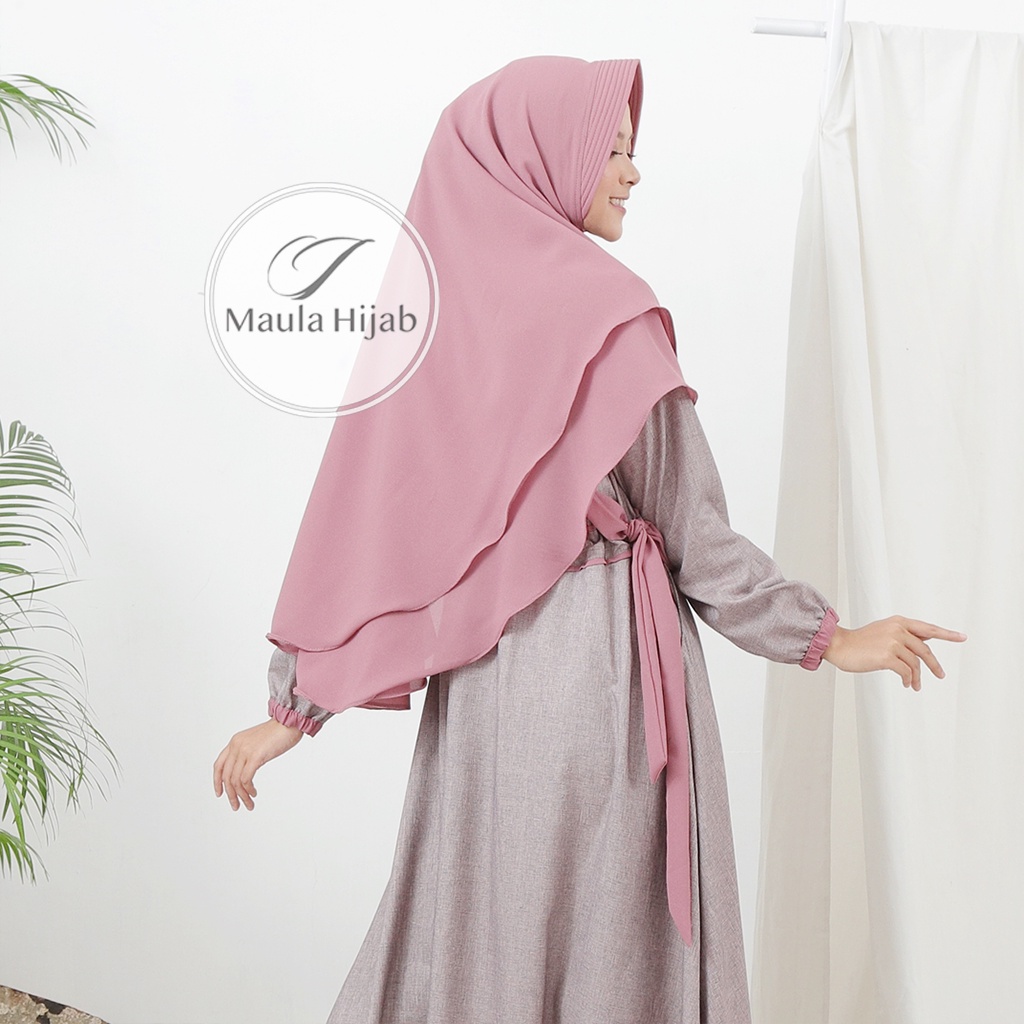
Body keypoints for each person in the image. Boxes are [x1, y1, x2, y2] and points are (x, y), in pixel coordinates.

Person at [213, 55, 966, 1023]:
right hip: (610, 690)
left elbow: (370, 534)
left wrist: (294, 709)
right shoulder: (608, 314)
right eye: (609, 149)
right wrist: (828, 636)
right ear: (543, 156)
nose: (631, 170)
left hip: (486, 705)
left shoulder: (434, 333)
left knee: (488, 933)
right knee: (607, 953)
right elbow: (693, 532)